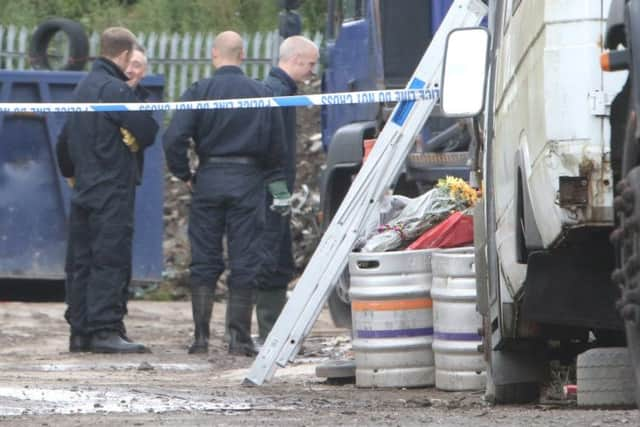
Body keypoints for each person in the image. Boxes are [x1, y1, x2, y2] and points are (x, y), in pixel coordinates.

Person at [163, 31, 288, 356]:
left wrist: (185, 174)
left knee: (204, 259)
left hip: (209, 178)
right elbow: (277, 148)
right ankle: (239, 339)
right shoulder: (261, 93)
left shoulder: (199, 91)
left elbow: (173, 137)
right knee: (245, 260)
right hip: (248, 181)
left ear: (214, 54)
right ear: (243, 55)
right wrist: (271, 179)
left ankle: (201, 338)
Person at [60, 27, 158, 354]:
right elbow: (148, 129)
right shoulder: (114, 89)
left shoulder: (82, 88)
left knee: (81, 261)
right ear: (123, 55)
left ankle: (80, 331)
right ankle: (105, 330)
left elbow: (63, 142)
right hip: (112, 188)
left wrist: (73, 174)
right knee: (109, 259)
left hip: (85, 189)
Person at [253, 36, 319, 343]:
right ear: (294, 60)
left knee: (278, 256)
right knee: (272, 257)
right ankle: (270, 334)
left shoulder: (283, 91)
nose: (313, 71)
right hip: (270, 191)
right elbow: (271, 146)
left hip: (273, 187)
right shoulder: (276, 94)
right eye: (310, 64)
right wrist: (278, 187)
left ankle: (274, 332)